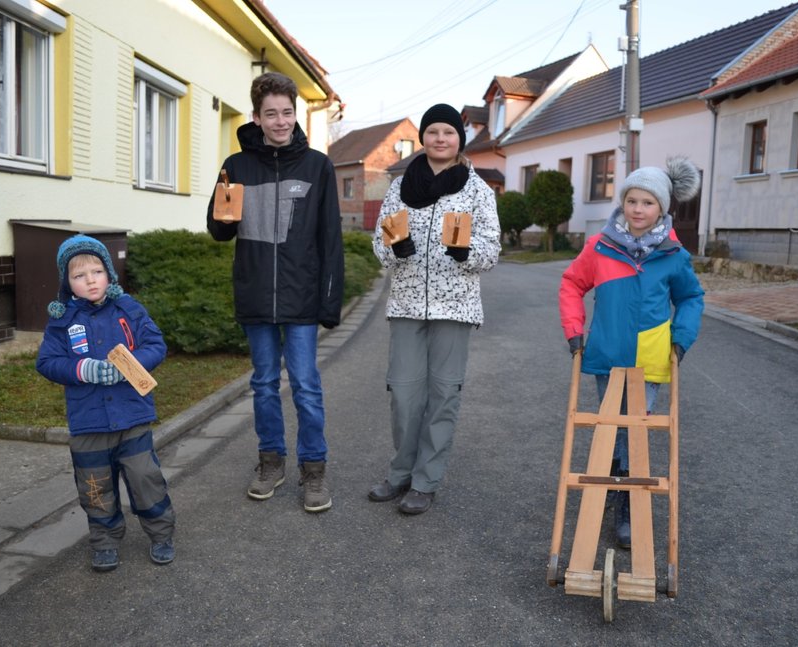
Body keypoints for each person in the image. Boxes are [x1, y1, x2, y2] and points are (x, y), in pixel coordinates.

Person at [207, 72, 343, 513]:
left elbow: (330, 240)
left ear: (295, 114)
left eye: (287, 112)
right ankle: (270, 462)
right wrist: (224, 218)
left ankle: (314, 470)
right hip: (255, 298)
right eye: (272, 114)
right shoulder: (237, 166)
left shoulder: (318, 165)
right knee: (264, 384)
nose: (281, 121)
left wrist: (328, 301)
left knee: (305, 385)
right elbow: (218, 230)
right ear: (256, 117)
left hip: (300, 298)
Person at [558, 156, 704, 548]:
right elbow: (572, 284)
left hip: (651, 358)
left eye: (648, 203)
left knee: (632, 426)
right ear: (623, 202)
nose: (638, 209)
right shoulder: (601, 247)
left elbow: (691, 297)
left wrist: (681, 337)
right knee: (611, 423)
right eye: (632, 200)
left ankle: (623, 498)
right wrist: (574, 331)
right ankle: (610, 486)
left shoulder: (673, 255)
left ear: (662, 209)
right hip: (607, 352)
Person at [369, 103, 501, 515]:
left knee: (444, 395)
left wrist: (467, 254)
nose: (440, 139)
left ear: (459, 138)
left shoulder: (477, 190)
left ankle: (426, 481)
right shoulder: (399, 188)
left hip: (456, 307)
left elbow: (492, 249)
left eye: (448, 132)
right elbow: (380, 243)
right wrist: (395, 249)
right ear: (423, 138)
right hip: (407, 304)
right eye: (432, 132)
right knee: (404, 395)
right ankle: (400, 473)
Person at [36, 235, 175, 572]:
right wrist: (83, 369)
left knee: (145, 479)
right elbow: (47, 362)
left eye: (97, 272)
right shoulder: (62, 321)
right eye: (79, 276)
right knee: (95, 487)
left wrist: (130, 366)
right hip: (88, 423)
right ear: (67, 283)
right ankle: (105, 541)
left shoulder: (129, 309)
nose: (90, 280)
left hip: (132, 417)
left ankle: (161, 534)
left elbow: (155, 344)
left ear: (109, 274)